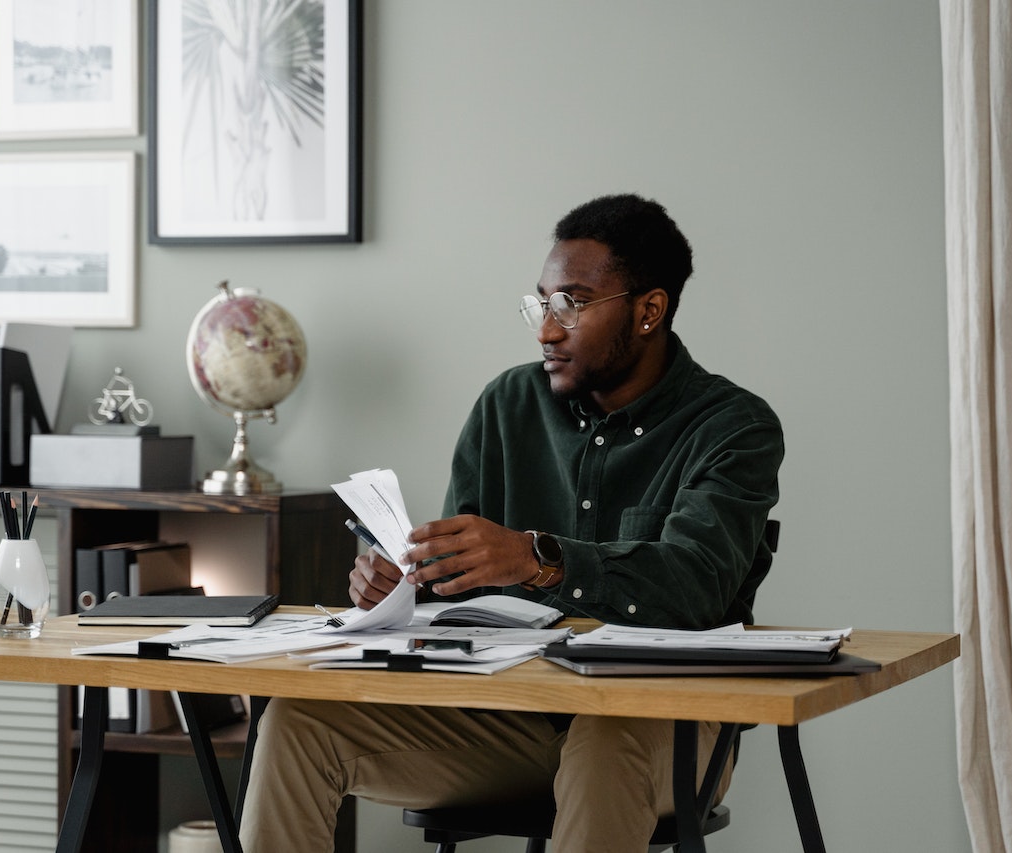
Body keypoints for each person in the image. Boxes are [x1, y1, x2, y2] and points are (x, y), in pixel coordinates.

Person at [239, 193, 784, 852]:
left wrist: (540, 557)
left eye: (571, 304)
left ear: (649, 310)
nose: (545, 330)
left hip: (667, 720)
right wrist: (405, 590)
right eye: (540, 303)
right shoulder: (506, 405)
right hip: (512, 717)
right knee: (298, 720)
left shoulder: (731, 427)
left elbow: (695, 586)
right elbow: (461, 587)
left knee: (604, 740)